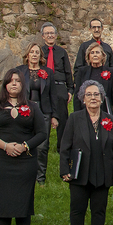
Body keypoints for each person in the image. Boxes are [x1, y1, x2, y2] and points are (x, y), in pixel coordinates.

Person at [0, 68, 48, 225]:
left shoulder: (33, 107)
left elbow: (42, 133)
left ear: (22, 84)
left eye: (17, 81)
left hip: (25, 161)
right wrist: (4, 145)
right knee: (1, 200)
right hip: (2, 160)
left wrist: (25, 145)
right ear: (5, 84)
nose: (14, 84)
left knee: (23, 200)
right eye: (10, 81)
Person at [60, 80, 113, 225]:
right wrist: (65, 170)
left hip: (102, 173)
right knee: (77, 210)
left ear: (102, 98)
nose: (93, 97)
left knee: (99, 211)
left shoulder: (110, 120)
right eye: (89, 94)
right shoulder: (74, 118)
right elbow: (65, 146)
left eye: (96, 94)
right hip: (79, 173)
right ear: (82, 99)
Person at [15, 41, 54, 183]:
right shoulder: (19, 71)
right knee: (23, 141)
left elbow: (52, 95)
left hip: (43, 111)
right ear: (27, 54)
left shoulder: (47, 72)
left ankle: (40, 178)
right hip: (24, 110)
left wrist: (54, 116)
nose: (34, 55)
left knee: (42, 146)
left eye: (37, 52)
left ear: (41, 55)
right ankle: (24, 175)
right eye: (32, 52)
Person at [38, 23, 73, 172]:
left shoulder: (61, 52)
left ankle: (61, 147)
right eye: (47, 33)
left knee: (62, 118)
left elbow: (67, 71)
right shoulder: (39, 51)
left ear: (56, 35)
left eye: (52, 33)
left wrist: (70, 89)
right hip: (43, 85)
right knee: (43, 116)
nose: (50, 35)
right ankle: (41, 144)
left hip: (59, 86)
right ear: (43, 36)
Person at [74, 43, 113, 123]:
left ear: (103, 56)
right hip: (86, 110)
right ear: (88, 56)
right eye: (92, 53)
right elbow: (77, 95)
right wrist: (76, 115)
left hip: (104, 109)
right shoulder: (82, 71)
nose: (95, 55)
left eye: (97, 52)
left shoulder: (110, 72)